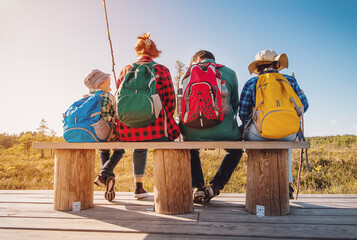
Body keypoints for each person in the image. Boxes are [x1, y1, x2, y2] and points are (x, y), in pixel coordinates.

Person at [115, 33, 180, 198]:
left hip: (128, 131)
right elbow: (170, 100)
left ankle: (138, 186)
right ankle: (167, 188)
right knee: (167, 144)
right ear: (154, 52)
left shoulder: (125, 69)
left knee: (139, 144)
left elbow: (119, 99)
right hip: (158, 130)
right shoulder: (161, 69)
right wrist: (164, 116)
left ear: (137, 51)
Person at [239, 49, 309, 199]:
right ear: (277, 64)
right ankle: (287, 184)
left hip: (259, 133)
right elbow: (304, 106)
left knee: (249, 137)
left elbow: (243, 113)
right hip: (288, 132)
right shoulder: (290, 81)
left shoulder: (252, 82)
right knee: (285, 142)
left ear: (257, 67)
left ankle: (259, 181)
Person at [179, 50, 243, 203]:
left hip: (192, 131)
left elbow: (182, 106)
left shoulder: (187, 74)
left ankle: (197, 187)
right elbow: (234, 104)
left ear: (198, 59)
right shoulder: (229, 72)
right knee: (236, 152)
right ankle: (215, 186)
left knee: (191, 150)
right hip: (224, 130)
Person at [84, 69, 124, 202]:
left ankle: (107, 178)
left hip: (93, 134)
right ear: (100, 84)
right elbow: (113, 116)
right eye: (108, 83)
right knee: (120, 150)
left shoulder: (86, 97)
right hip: (107, 132)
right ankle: (103, 174)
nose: (110, 87)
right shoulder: (107, 96)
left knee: (103, 150)